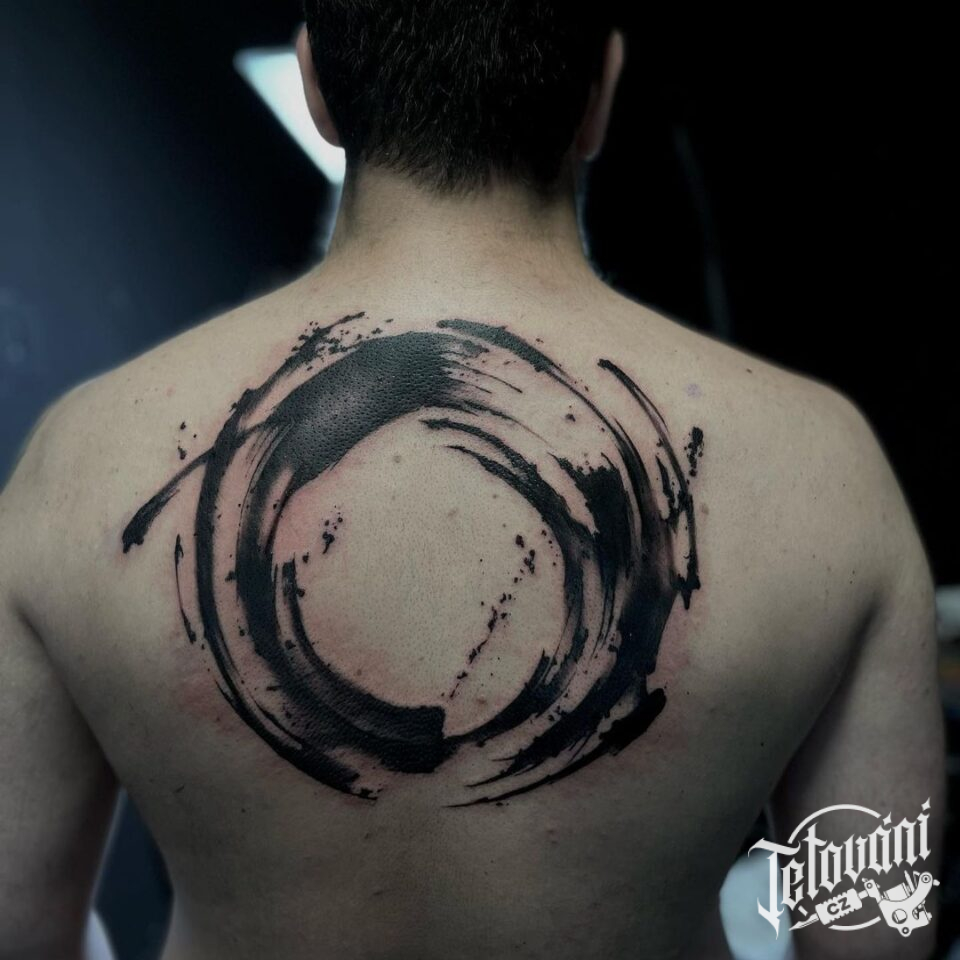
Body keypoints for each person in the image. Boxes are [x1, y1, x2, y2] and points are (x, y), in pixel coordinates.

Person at [0, 3, 944, 958]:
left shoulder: (82, 468)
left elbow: (16, 925)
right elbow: (877, 933)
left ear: (317, 86)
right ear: (601, 93)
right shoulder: (822, 474)